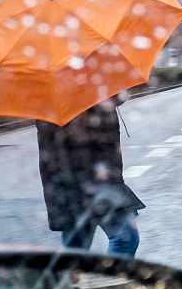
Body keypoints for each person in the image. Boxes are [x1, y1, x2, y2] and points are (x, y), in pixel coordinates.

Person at [36, 94, 143, 257]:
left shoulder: (82, 86)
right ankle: (112, 281)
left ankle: (65, 280)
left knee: (75, 248)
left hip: (79, 178)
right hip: (87, 178)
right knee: (125, 238)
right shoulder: (74, 88)